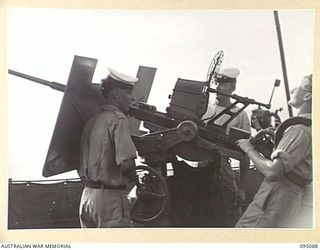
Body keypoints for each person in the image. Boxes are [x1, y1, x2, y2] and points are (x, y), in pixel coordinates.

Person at [236, 74, 312, 228]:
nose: (292, 90)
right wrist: (268, 149)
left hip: (277, 194)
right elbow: (295, 166)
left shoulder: (299, 129)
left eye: (297, 88)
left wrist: (249, 148)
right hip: (293, 196)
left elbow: (273, 172)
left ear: (308, 95)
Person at [78, 68, 138, 228]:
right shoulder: (118, 120)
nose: (131, 99)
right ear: (116, 93)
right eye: (128, 93)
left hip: (87, 197)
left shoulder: (92, 121)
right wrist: (138, 179)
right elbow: (127, 165)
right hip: (110, 201)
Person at [202, 67, 251, 227]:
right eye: (217, 83)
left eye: (223, 84)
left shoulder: (240, 114)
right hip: (199, 163)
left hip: (222, 167)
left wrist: (242, 188)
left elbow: (245, 153)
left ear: (233, 87)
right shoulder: (204, 110)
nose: (218, 88)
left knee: (231, 212)